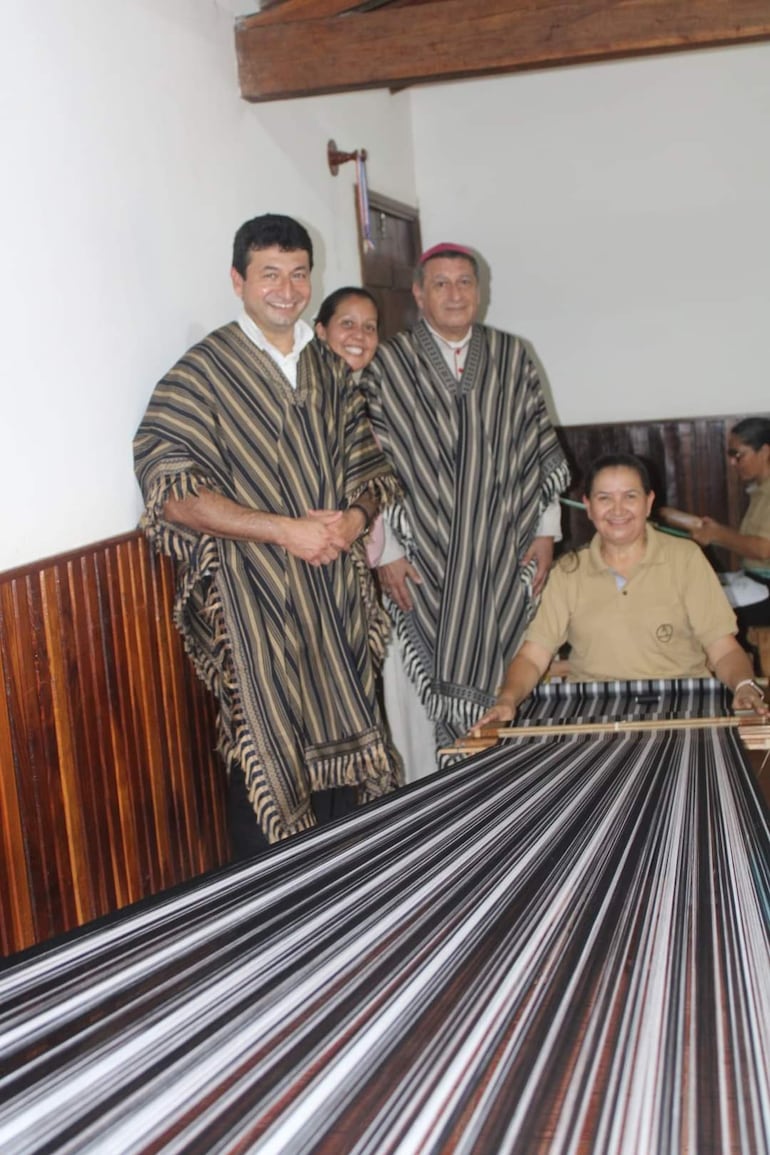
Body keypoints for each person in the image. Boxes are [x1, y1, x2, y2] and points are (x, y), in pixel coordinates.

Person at [134, 214, 402, 858]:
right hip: (254, 609)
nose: (287, 289)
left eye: (299, 273)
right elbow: (167, 488)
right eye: (270, 274)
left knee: (348, 770)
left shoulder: (329, 371)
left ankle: (347, 905)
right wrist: (284, 532)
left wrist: (353, 521)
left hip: (335, 602)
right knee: (267, 767)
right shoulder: (203, 373)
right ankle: (278, 928)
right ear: (238, 280)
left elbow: (372, 470)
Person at [360, 242, 570, 778]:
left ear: (481, 291)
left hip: (504, 554)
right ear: (418, 293)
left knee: (508, 678)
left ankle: (506, 801)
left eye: (464, 283)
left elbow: (537, 450)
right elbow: (369, 463)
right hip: (420, 563)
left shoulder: (512, 355)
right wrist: (386, 550)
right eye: (441, 284)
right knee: (416, 709)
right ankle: (430, 811)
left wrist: (546, 532)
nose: (454, 294)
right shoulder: (389, 363)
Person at [475, 453, 768, 727]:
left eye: (630, 496)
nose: (618, 509)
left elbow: (723, 649)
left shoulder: (685, 559)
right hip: (593, 716)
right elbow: (532, 657)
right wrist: (508, 698)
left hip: (683, 711)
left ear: (648, 502)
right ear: (588, 506)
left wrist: (744, 685)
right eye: (605, 498)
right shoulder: (567, 572)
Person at [689, 417, 770, 642]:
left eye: (738, 455)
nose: (733, 463)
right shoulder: (761, 489)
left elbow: (764, 549)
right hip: (754, 578)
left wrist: (716, 534)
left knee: (701, 606)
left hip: (766, 585)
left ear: (764, 451)